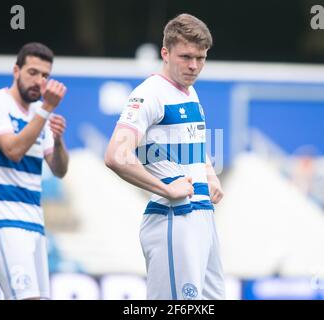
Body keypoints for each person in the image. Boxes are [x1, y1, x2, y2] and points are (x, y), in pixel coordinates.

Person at [105, 13, 225, 300]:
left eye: (201, 57)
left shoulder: (189, 93)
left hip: (202, 217)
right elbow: (115, 154)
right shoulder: (149, 94)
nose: (194, 65)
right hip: (174, 217)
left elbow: (194, 143)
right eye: (185, 56)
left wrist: (209, 174)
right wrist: (166, 189)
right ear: (165, 52)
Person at [0, 42, 69, 300]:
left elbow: (59, 169)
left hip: (34, 223)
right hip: (4, 219)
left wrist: (58, 140)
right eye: (33, 73)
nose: (40, 81)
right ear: (16, 70)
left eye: (45, 75)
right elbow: (12, 151)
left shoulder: (40, 115)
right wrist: (47, 110)